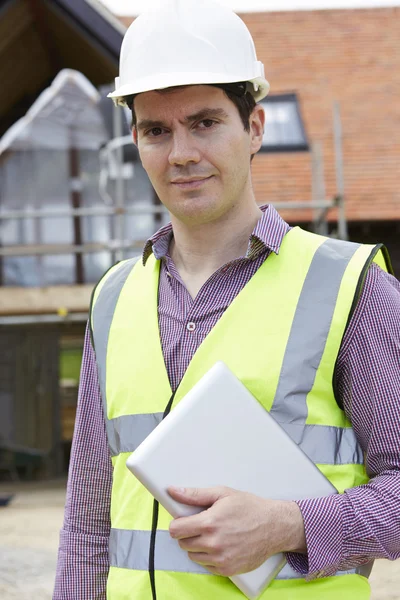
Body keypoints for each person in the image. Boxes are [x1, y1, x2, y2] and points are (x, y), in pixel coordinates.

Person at [53, 1, 400, 598]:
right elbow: (88, 524)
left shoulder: (349, 286)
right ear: (135, 139)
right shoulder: (114, 297)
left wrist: (289, 524)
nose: (181, 152)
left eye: (205, 122)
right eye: (156, 130)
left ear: (256, 127)